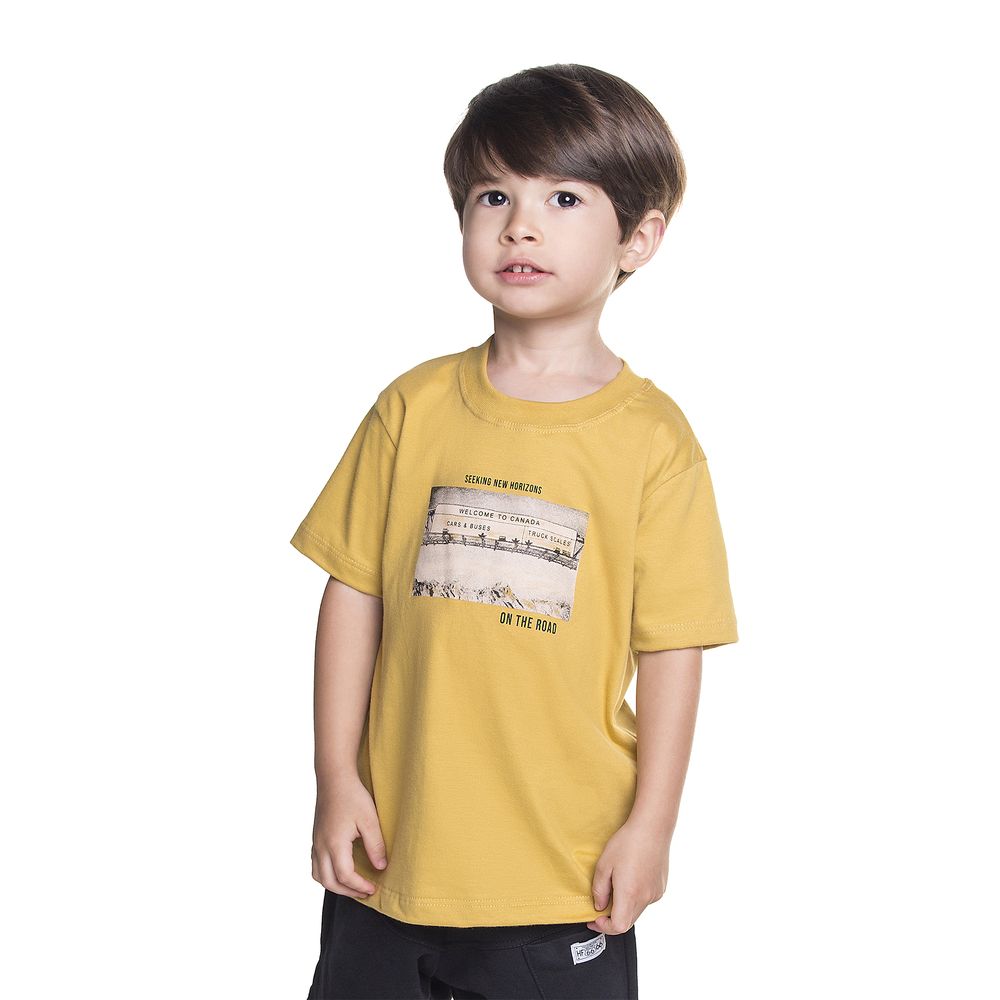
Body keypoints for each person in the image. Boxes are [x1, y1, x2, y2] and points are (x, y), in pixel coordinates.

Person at [290, 62, 739, 1000]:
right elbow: (352, 594)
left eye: (564, 198)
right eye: (494, 195)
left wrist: (652, 826)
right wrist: (336, 776)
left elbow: (673, 647)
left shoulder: (654, 441)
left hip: (561, 874)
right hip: (390, 861)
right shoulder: (412, 407)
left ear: (639, 238)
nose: (520, 225)